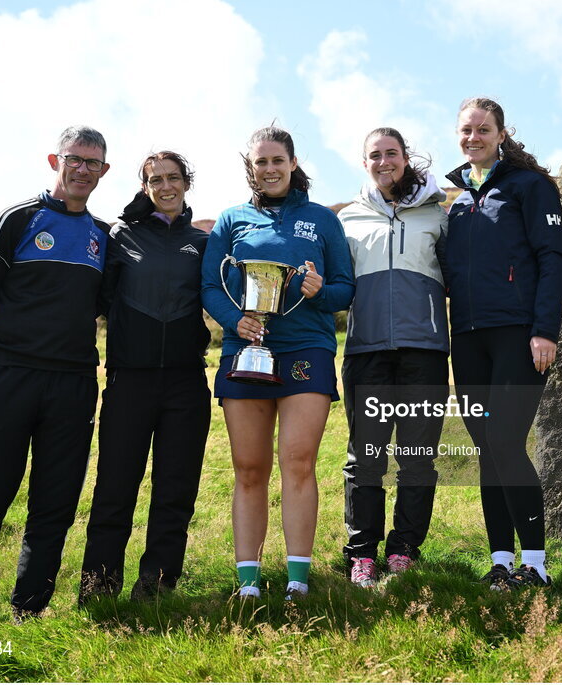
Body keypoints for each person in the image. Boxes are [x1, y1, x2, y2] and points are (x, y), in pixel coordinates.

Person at [0, 126, 111, 619]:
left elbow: (109, 307)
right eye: (74, 159)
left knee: (54, 507)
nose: (82, 169)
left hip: (74, 385)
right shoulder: (15, 220)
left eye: (92, 163)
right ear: (53, 160)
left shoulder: (103, 237)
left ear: (105, 171)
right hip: (6, 378)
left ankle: (29, 610)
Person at [201, 126, 354, 601]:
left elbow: (345, 288)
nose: (269, 169)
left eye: (277, 160)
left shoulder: (321, 220)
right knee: (249, 468)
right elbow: (210, 285)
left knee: (298, 462)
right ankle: (248, 583)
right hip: (242, 351)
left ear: (292, 163)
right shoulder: (231, 220)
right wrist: (236, 320)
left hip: (307, 349)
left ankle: (297, 579)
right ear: (251, 167)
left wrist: (319, 292)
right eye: (260, 162)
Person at [444, 97, 562, 589]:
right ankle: (500, 560)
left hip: (519, 335)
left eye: (483, 129)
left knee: (503, 441)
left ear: (501, 134)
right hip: (469, 339)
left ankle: (536, 565)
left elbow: (554, 260)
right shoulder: (457, 203)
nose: (472, 137)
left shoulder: (529, 187)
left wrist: (545, 330)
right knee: (486, 448)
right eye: (465, 130)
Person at [80, 151, 211, 604]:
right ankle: (98, 588)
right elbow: (96, 299)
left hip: (186, 383)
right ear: (144, 186)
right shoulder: (119, 236)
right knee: (114, 487)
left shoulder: (203, 241)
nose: (166, 186)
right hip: (128, 381)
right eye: (155, 180)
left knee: (175, 491)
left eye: (174, 178)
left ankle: (155, 587)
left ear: (186, 183)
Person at [337, 128, 449, 587]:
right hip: (366, 353)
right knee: (365, 456)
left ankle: (404, 548)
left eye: (392, 154)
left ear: (406, 158)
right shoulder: (348, 220)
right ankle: (362, 552)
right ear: (364, 163)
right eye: (375, 155)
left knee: (417, 455)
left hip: (424, 351)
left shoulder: (439, 217)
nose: (384, 162)